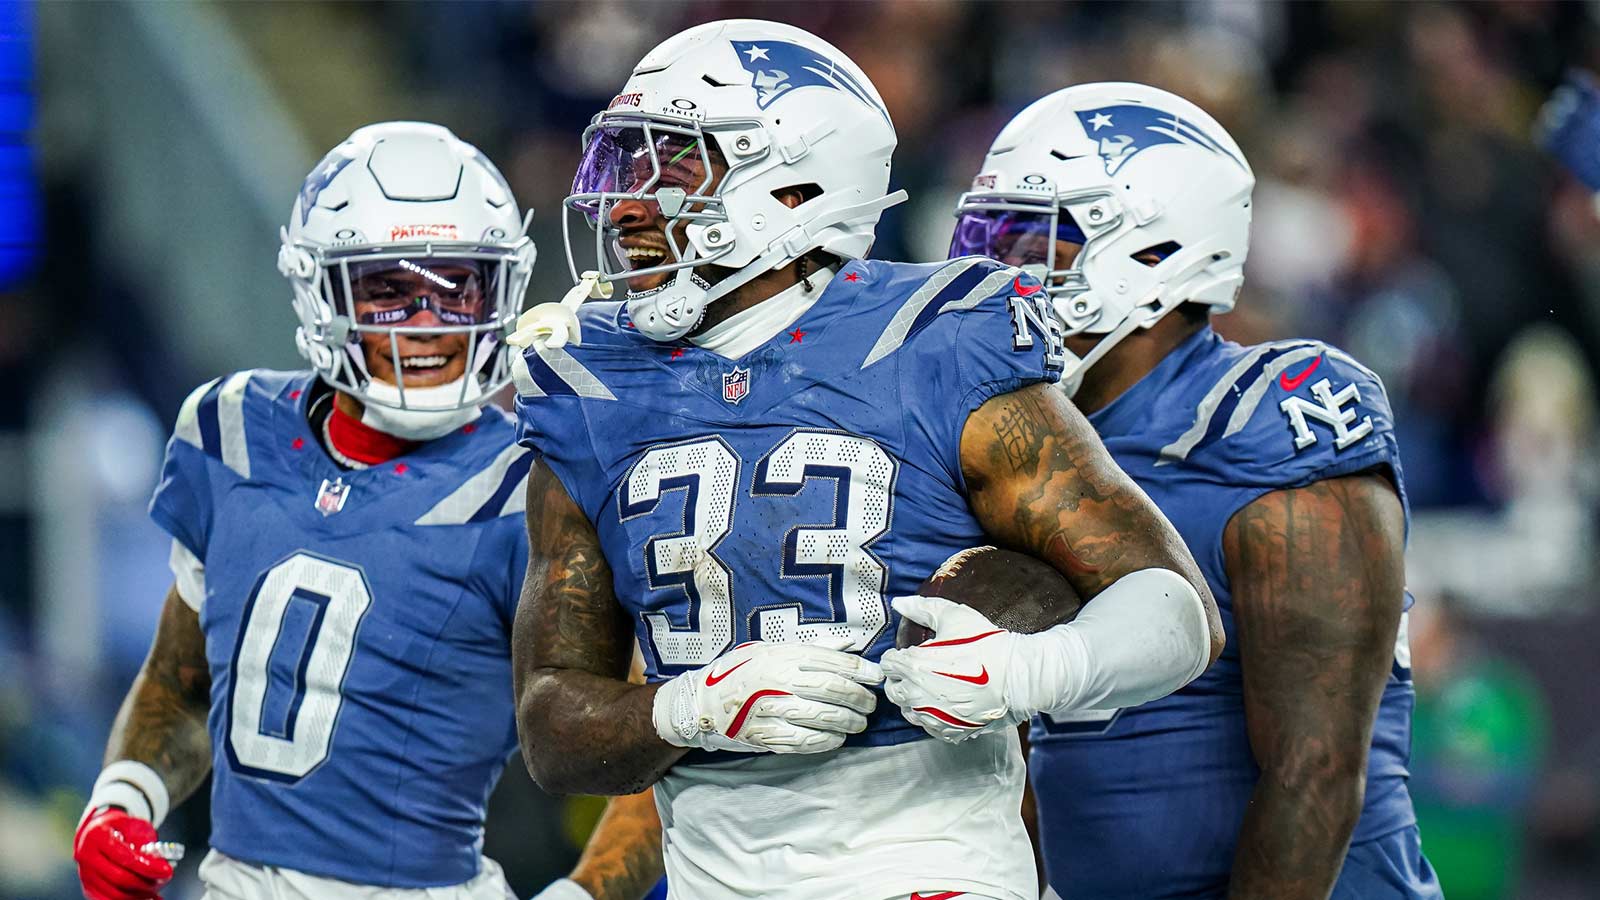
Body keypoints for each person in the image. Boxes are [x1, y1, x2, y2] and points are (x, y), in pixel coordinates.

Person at [510, 21, 1223, 900]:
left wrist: (1027, 671)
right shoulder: (588, 384)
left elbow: (1175, 608)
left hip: (931, 867)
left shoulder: (933, 341)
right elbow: (551, 726)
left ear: (793, 183)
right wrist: (686, 709)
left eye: (673, 166)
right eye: (621, 168)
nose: (625, 205)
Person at [950, 82, 1440, 899]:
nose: (1005, 272)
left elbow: (1313, 771)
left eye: (1042, 242)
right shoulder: (1015, 441)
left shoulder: (1263, 423)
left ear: (1155, 252)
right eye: (994, 238)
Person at [72, 122, 539, 900]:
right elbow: (185, 677)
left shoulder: (531, 484)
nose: (427, 323)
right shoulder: (228, 428)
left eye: (458, 285)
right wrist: (123, 800)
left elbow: (634, 737)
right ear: (320, 288)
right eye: (390, 290)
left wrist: (588, 890)